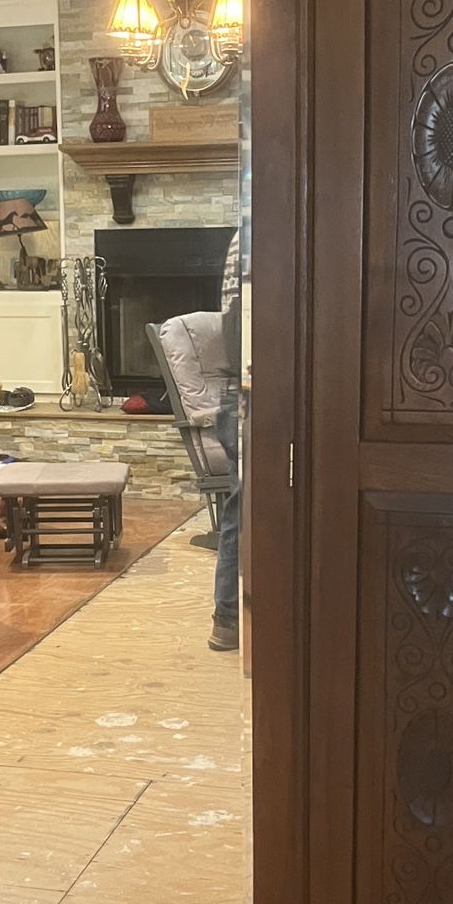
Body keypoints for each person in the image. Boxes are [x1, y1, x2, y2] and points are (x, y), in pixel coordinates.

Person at [209, 231, 243, 653]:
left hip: (236, 392)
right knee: (246, 512)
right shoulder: (263, 230)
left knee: (240, 510)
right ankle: (231, 617)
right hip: (255, 394)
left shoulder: (243, 234)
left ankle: (228, 620)